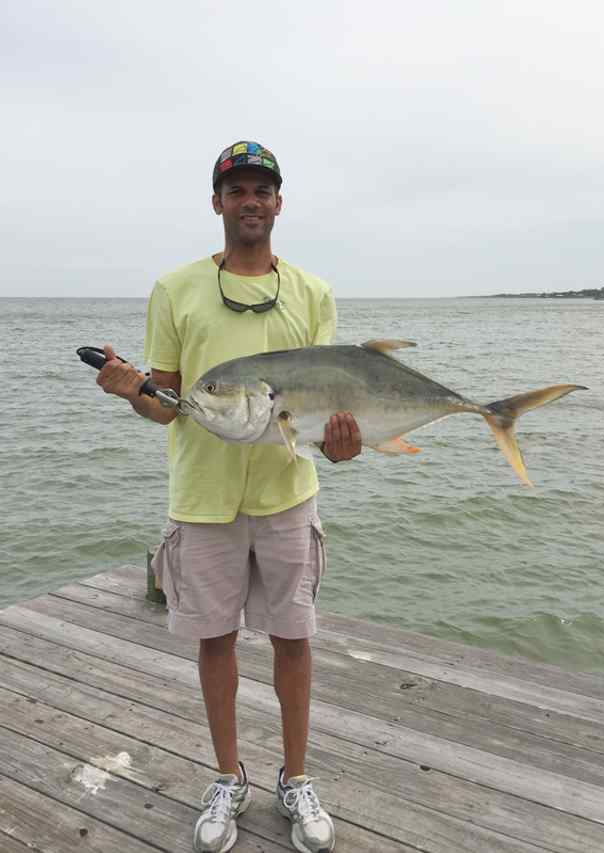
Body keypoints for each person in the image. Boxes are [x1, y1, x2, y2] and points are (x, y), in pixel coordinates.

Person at [97, 140, 361, 853]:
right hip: (202, 496)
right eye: (237, 190)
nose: (250, 201)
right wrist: (131, 393)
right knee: (213, 640)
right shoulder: (175, 289)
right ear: (217, 202)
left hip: (287, 495)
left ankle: (296, 778)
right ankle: (227, 776)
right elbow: (167, 404)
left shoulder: (313, 293)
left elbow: (325, 410)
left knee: (294, 638)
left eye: (261, 190)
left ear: (279, 203)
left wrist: (343, 444)